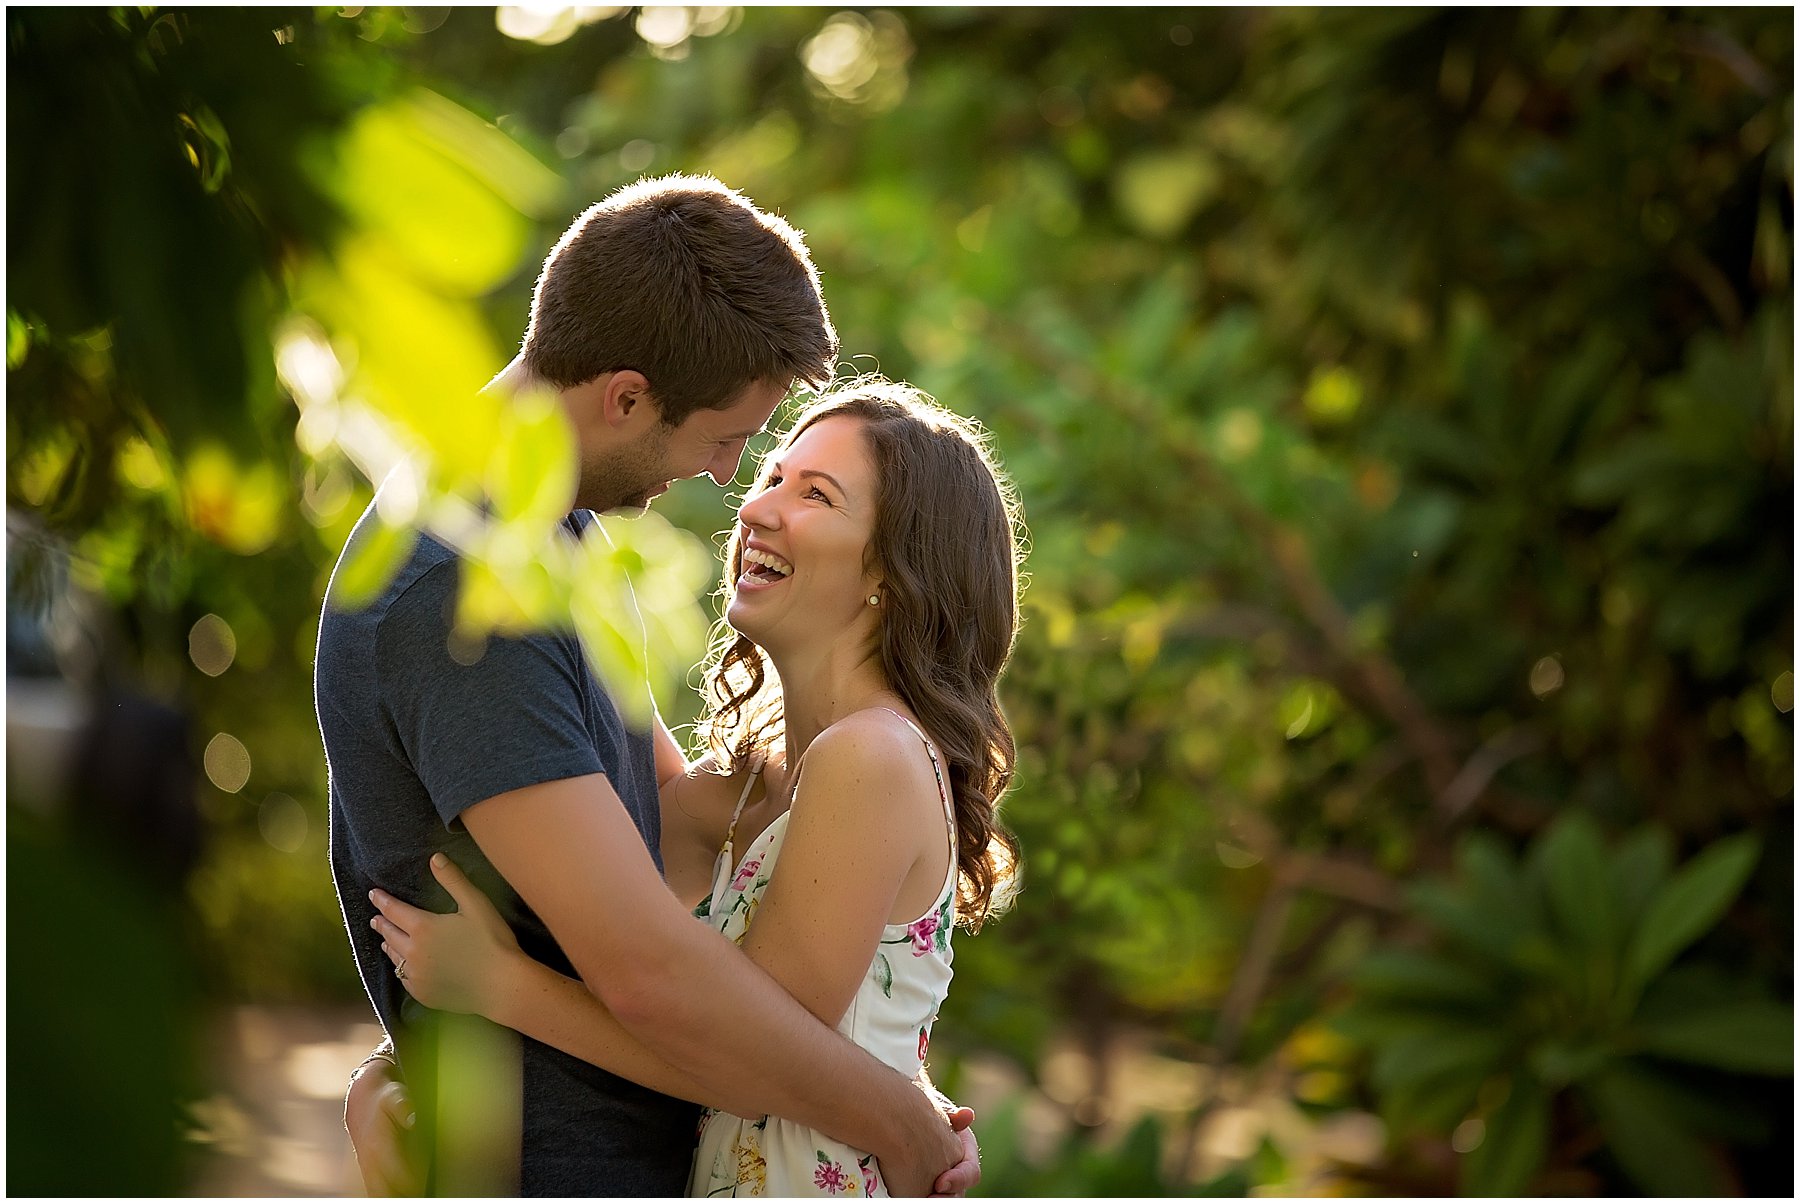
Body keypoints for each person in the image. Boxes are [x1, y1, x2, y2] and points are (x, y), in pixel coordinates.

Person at [318, 176, 977, 1196]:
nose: (727, 476)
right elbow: (655, 973)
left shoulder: (548, 535)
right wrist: (897, 1119)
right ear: (626, 396)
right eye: (726, 439)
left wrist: (892, 1078)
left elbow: (652, 815)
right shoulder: (466, 588)